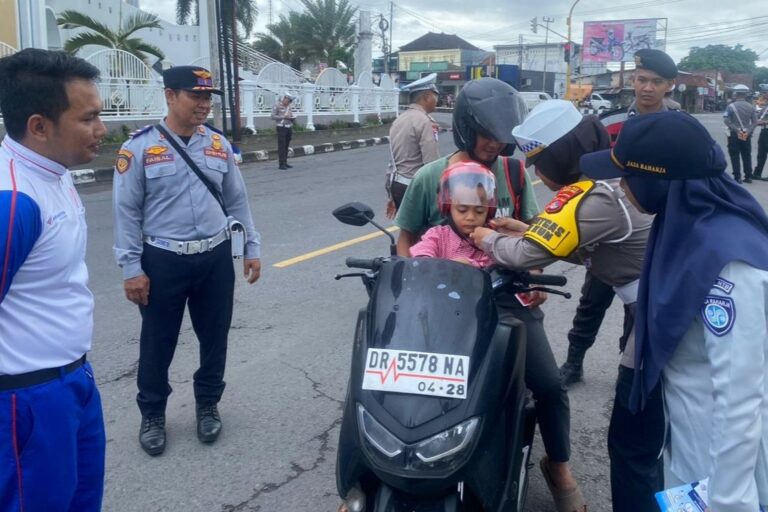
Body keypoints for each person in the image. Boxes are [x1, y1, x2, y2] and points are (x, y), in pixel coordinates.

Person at [395, 78, 586, 512]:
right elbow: (405, 241)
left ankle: (557, 464)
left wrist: (534, 275)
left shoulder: (515, 174)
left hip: (504, 297)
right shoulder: (431, 177)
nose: (494, 143)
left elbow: (538, 237)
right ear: (464, 127)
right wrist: (410, 281)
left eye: (503, 134)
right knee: (396, 382)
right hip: (440, 300)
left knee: (549, 385)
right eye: (486, 133)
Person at [471, 99, 661, 512]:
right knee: (645, 425)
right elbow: (581, 245)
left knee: (637, 436)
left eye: (541, 163)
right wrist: (526, 227)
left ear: (560, 156)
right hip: (652, 307)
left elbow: (524, 256)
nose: (538, 174)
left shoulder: (599, 195)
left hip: (659, 317)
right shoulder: (605, 179)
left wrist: (483, 237)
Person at [581, 110, 768, 512]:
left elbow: (740, 397)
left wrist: (728, 501)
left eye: (626, 174)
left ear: (655, 180)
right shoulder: (685, 227)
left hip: (719, 471)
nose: (621, 185)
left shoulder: (727, 262)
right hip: (684, 447)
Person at [113, 66, 262, 456]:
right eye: (195, 96)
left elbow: (237, 200)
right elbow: (127, 213)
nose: (203, 104)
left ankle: (208, 404)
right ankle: (153, 414)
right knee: (157, 342)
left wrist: (252, 248)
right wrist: (132, 268)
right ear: (169, 96)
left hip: (214, 258)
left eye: (208, 97)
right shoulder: (139, 148)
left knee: (215, 337)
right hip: (162, 260)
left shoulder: (217, 145)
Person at [0, 48, 107, 510]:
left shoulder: (56, 171)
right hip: (27, 402)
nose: (102, 131)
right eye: (88, 119)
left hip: (73, 382)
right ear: (39, 126)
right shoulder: (14, 201)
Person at [559, 48, 680, 386]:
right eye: (642, 79)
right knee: (591, 302)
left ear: (669, 85)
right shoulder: (611, 123)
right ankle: (574, 361)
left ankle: (630, 372)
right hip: (607, 230)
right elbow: (587, 173)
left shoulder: (678, 128)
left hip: (652, 233)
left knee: (639, 312)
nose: (647, 88)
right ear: (633, 79)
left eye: (656, 82)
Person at [409, 161, 495, 268]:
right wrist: (426, 262)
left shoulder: (491, 240)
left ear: (489, 211)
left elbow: (496, 262)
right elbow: (422, 252)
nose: (471, 217)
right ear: (448, 207)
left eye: (479, 211)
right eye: (462, 210)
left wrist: (471, 265)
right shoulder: (438, 235)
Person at [386, 73, 440, 218]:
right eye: (436, 95)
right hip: (415, 187)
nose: (437, 100)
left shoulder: (399, 120)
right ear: (427, 96)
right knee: (424, 234)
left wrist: (391, 193)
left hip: (397, 185)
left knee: (407, 231)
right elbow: (431, 163)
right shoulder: (425, 121)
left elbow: (392, 159)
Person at [723, 87, 757, 183]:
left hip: (734, 134)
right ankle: (748, 176)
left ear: (736, 95)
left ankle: (737, 177)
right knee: (746, 155)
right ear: (745, 96)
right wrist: (749, 131)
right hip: (746, 134)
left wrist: (736, 129)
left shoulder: (731, 106)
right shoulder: (751, 107)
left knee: (735, 155)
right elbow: (755, 122)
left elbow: (726, 120)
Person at [271, 91, 296, 170]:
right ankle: (281, 163)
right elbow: (272, 116)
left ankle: (285, 162)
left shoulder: (289, 107)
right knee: (282, 146)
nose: (289, 102)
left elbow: (291, 115)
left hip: (288, 127)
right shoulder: (277, 105)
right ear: (285, 98)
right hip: (281, 127)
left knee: (286, 145)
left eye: (290, 101)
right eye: (288, 100)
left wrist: (292, 118)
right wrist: (283, 117)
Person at [753, 91, 768, 180]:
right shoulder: (765, 107)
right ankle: (757, 173)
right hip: (764, 131)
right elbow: (758, 117)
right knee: (761, 153)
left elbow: (761, 120)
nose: (764, 97)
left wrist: (763, 122)